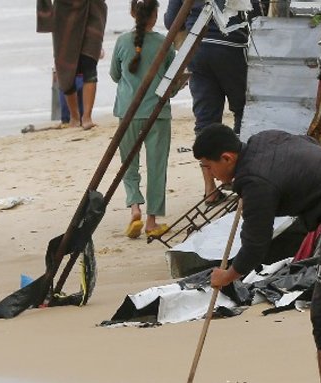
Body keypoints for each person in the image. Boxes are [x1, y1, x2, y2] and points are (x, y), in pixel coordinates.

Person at [194, 124, 321, 383]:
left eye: (208, 167)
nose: (210, 174)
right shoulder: (262, 140)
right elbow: (306, 142)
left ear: (227, 158)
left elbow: (256, 245)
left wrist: (229, 275)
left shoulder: (255, 181)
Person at [165, 0, 259, 202]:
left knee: (205, 120)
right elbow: (257, 13)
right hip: (231, 46)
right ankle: (238, 176)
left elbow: (171, 20)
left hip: (197, 48)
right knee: (242, 111)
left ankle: (210, 188)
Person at [111, 0, 175, 239]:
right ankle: (151, 220)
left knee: (129, 163)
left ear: (132, 13)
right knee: (156, 167)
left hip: (128, 111)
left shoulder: (121, 41)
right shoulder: (164, 43)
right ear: (156, 15)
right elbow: (172, 80)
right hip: (157, 113)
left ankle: (135, 208)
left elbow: (115, 75)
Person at [51, 0, 108, 129]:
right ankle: (74, 117)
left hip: (92, 9)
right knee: (65, 68)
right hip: (65, 13)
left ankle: (87, 117)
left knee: (89, 63)